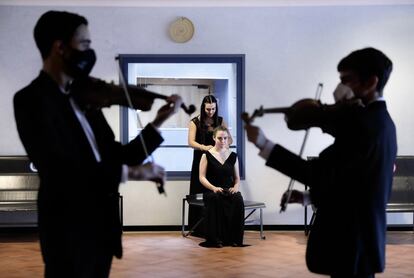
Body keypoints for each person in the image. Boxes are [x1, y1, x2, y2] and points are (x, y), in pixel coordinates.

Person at [13, 11, 183, 278]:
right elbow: (60, 170)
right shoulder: (31, 101)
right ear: (60, 47)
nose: (90, 52)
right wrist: (134, 173)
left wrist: (158, 123)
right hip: (67, 230)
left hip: (101, 229)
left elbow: (122, 154)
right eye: (85, 44)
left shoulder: (86, 101)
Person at [244, 47, 397, 278]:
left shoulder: (364, 126)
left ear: (371, 82)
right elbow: (354, 181)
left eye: (347, 80)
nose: (341, 89)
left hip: (351, 239)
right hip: (360, 238)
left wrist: (264, 144)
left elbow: (317, 173)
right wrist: (310, 197)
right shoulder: (382, 122)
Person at [187, 95, 232, 237]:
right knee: (200, 191)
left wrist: (222, 146)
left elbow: (229, 139)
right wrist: (204, 147)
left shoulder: (220, 120)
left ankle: (219, 227)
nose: (211, 112)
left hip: (216, 160)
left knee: (216, 192)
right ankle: (199, 229)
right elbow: (190, 142)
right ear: (203, 107)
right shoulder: (195, 122)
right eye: (208, 109)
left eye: (213, 109)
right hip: (201, 157)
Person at [199, 126, 244, 247]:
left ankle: (234, 239)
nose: (223, 141)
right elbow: (202, 177)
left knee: (238, 199)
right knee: (215, 199)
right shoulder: (206, 155)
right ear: (214, 138)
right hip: (211, 189)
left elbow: (237, 179)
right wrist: (213, 188)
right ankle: (215, 239)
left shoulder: (233, 156)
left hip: (228, 189)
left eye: (225, 138)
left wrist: (235, 188)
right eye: (220, 138)